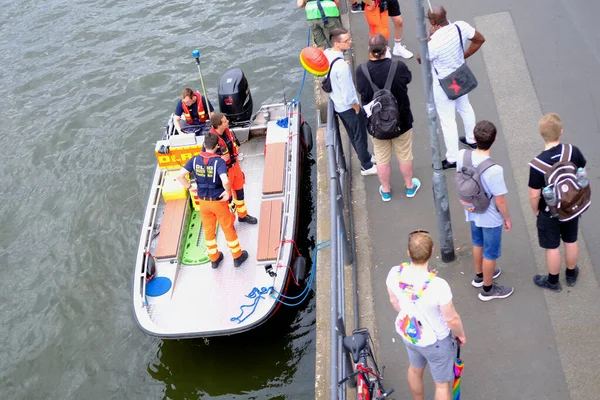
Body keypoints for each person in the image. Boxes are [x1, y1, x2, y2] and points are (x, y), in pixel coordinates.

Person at [386, 230, 466, 400]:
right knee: (442, 385)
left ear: (408, 252)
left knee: (415, 369)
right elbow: (451, 319)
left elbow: (394, 302)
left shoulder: (395, 274)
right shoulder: (438, 286)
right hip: (436, 341)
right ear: (432, 251)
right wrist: (461, 334)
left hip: (410, 333)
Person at [418, 5, 485, 169]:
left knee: (448, 121)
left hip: (443, 83)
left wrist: (429, 38)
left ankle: (453, 158)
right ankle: (472, 139)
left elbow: (422, 59)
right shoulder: (460, 26)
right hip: (460, 75)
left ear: (433, 22)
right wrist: (464, 55)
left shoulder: (434, 43)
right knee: (465, 107)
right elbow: (479, 39)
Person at [356, 34, 420, 201]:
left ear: (369, 49)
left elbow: (362, 91)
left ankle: (385, 190)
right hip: (402, 121)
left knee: (382, 158)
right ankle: (409, 187)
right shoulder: (398, 67)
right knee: (405, 154)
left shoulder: (361, 71)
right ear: (386, 48)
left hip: (376, 124)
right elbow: (408, 79)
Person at [528, 113, 586, 291]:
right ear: (560, 132)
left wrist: (536, 210)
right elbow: (581, 170)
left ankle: (553, 281)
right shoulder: (572, 151)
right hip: (570, 206)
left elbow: (533, 193)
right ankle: (570, 274)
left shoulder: (537, 164)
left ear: (541, 134)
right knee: (570, 240)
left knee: (552, 247)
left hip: (549, 211)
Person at [456, 120, 514, 301]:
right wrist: (507, 218)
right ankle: (488, 290)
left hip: (471, 209)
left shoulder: (462, 155)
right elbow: (500, 200)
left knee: (477, 242)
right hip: (489, 216)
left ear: (473, 137)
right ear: (494, 139)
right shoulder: (494, 170)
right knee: (490, 252)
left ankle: (479, 276)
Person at [176, 133, 249, 269]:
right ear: (216, 147)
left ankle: (214, 259)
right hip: (218, 202)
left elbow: (180, 176)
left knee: (208, 230)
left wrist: (190, 187)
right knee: (228, 228)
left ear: (204, 145)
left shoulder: (194, 160)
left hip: (203, 202)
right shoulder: (218, 162)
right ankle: (237, 256)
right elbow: (225, 180)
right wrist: (227, 192)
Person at [325, 28, 377, 176]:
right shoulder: (341, 66)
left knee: (353, 134)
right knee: (359, 136)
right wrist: (356, 107)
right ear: (337, 43)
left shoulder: (328, 54)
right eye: (346, 41)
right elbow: (348, 94)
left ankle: (365, 158)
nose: (350, 42)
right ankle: (366, 166)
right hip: (349, 107)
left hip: (338, 104)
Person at [208, 112, 258, 224]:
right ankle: (230, 221)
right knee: (228, 199)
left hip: (235, 166)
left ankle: (242, 215)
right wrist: (220, 158)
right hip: (224, 172)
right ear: (219, 125)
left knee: (240, 193)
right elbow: (207, 157)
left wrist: (236, 149)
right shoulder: (211, 139)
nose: (228, 122)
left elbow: (234, 143)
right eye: (225, 121)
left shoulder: (227, 131)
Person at [350, 0, 414, 59]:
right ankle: (383, 48)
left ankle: (397, 46)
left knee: (398, 21)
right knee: (378, 28)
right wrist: (370, 3)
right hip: (375, 2)